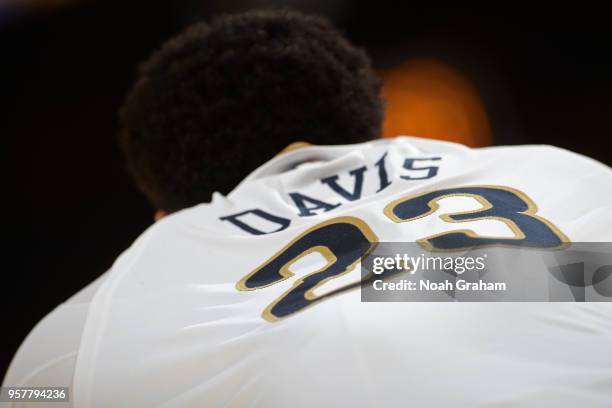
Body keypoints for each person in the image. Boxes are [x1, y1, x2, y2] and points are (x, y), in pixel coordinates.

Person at [4, 9, 612, 408]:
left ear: (163, 219)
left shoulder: (96, 327)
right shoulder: (557, 174)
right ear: (376, 129)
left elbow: (33, 394)